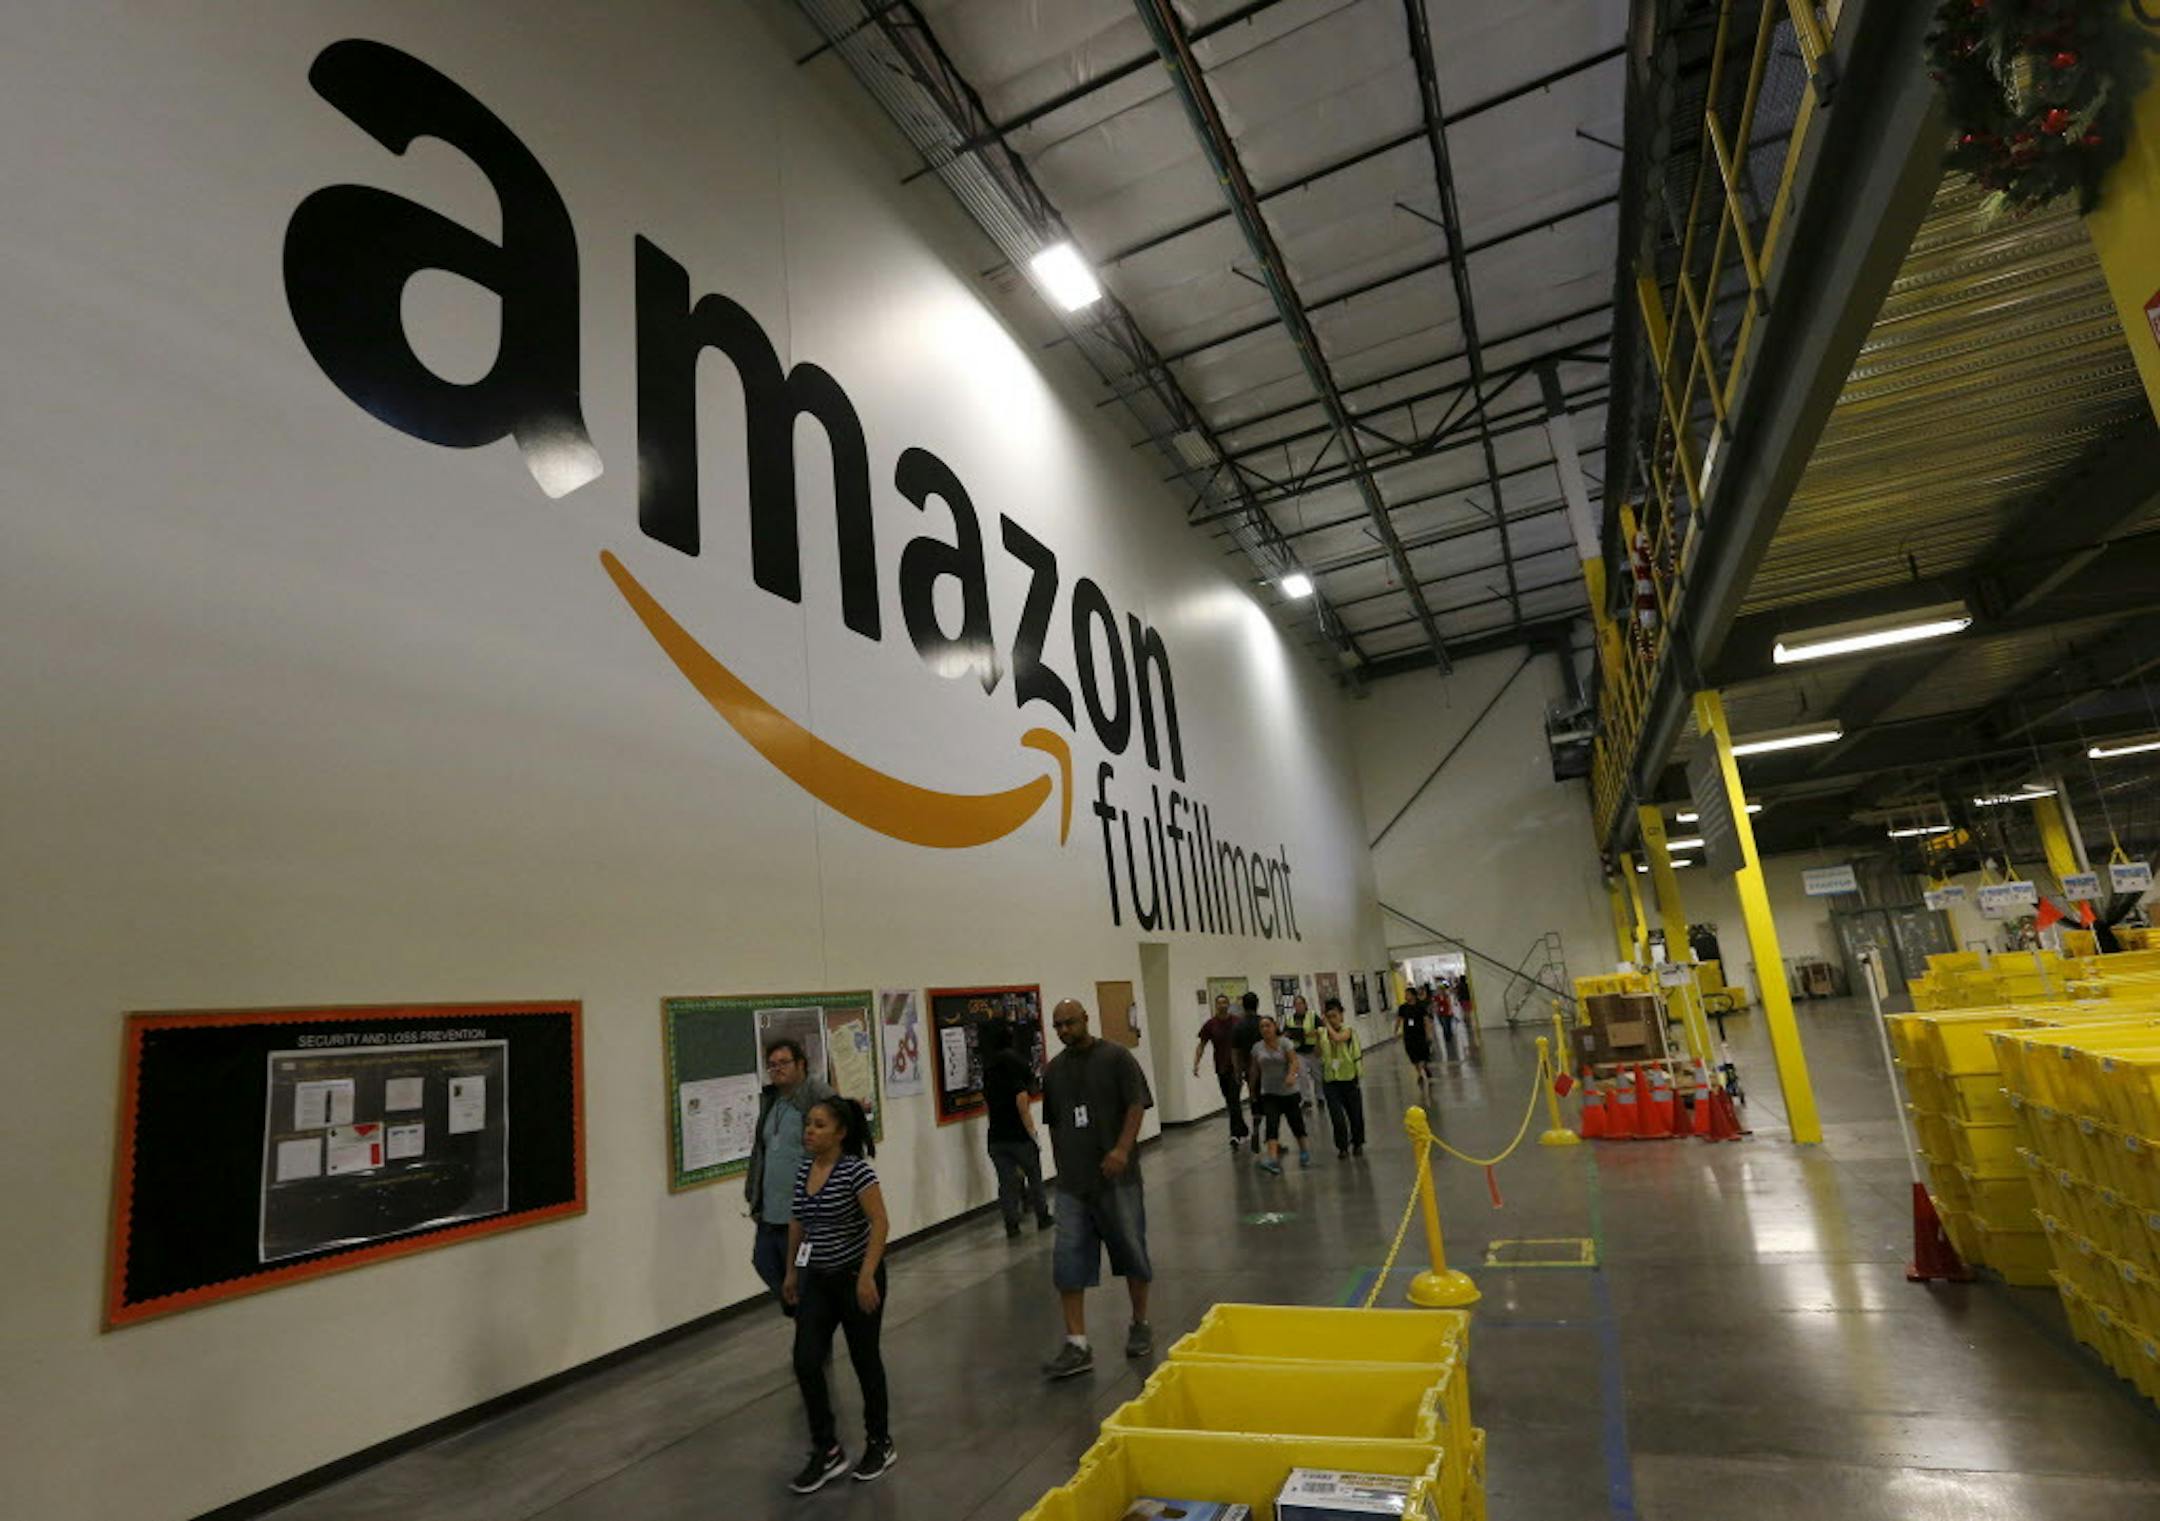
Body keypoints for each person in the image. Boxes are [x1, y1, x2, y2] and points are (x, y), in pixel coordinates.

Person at [1039, 998, 1155, 1378]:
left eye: (1069, 1023)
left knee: (1132, 1252)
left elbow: (1136, 1105)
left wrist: (1122, 1149)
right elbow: (1055, 1124)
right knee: (1068, 1263)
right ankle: (1077, 1344)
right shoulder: (1054, 1072)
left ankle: (1140, 1323)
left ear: (1086, 1019)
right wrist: (1061, 1170)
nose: (1063, 1031)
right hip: (1073, 1187)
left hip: (1117, 1181)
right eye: (1057, 1026)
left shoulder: (1117, 1058)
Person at [783, 1097, 893, 1492]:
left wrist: (866, 1275)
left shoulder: (856, 1172)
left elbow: (879, 1223)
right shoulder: (804, 1171)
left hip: (856, 1278)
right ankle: (826, 1448)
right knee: (806, 1360)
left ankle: (880, 1441)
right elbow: (798, 1221)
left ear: (841, 1133)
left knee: (865, 1359)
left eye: (819, 1125)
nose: (809, 1131)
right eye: (808, 1125)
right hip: (819, 1280)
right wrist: (792, 1271)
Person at [747, 1037, 834, 1314]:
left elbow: (841, 1126)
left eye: (784, 1063)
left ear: (801, 1065)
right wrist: (754, 1194)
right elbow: (761, 1152)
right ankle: (805, 1320)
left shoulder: (814, 1096)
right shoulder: (771, 1101)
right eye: (772, 1065)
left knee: (802, 1279)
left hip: (800, 1215)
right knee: (763, 1261)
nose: (777, 1069)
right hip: (769, 1213)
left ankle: (812, 1340)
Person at [982, 1018, 1054, 1237]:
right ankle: (1042, 1216)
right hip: (1019, 1135)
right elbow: (1022, 1101)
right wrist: (1032, 1133)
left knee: (1006, 1182)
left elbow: (987, 1104)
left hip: (996, 1136)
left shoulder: (988, 1067)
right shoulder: (1017, 1062)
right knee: (1034, 1175)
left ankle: (1011, 1224)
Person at [1248, 1014, 1310, 1173]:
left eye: (1268, 1025)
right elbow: (1254, 1070)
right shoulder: (1257, 1048)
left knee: (1296, 1124)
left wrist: (1291, 1075)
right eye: (1262, 1026)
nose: (1265, 1029)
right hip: (1269, 1093)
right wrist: (1252, 1090)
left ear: (1275, 1027)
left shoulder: (1285, 1043)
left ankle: (1304, 1151)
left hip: (1288, 1092)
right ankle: (1273, 1159)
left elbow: (1294, 1061)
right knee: (1271, 1125)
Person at [1191, 993, 1248, 1150]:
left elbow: (1245, 1044)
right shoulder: (1211, 1024)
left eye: (1224, 1002)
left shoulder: (1237, 1022)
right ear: (1215, 1005)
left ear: (1228, 1005)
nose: (1222, 1005)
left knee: (1234, 1100)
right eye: (1219, 1003)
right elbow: (1201, 1044)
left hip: (1236, 1068)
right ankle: (1243, 1129)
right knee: (1230, 1101)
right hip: (1221, 1067)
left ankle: (1234, 1134)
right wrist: (1196, 1063)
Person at [1317, 998, 1366, 1157]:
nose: (1332, 1020)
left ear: (1341, 1016)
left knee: (1355, 1114)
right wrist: (1319, 1038)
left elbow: (1338, 1039)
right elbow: (1318, 1053)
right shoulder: (1322, 1033)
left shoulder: (1349, 1030)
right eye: (1328, 1016)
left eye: (1334, 1016)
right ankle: (1342, 1146)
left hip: (1349, 1078)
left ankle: (1358, 1142)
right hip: (1331, 1080)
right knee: (1336, 1117)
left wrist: (1327, 1027)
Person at [1230, 991, 1267, 1154]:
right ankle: (1273, 1139)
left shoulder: (1238, 1026)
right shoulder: (1264, 1024)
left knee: (1255, 1100)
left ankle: (1256, 1129)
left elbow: (1235, 1051)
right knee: (1272, 1103)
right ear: (1257, 1004)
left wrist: (1237, 1072)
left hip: (1249, 1070)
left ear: (1243, 1006)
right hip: (1268, 1069)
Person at [1285, 993, 1324, 1115]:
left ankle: (1320, 1097)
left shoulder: (1312, 1016)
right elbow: (1285, 1033)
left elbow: (1322, 1030)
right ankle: (1306, 1099)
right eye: (1296, 1004)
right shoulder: (1290, 1019)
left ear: (1305, 1004)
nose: (1298, 1006)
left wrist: (1317, 1043)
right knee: (1302, 1076)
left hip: (1313, 1051)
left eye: (1300, 1003)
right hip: (1299, 1052)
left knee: (1317, 1076)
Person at [1396, 985, 1434, 1086]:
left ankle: (1421, 1072)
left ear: (1413, 996)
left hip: (1420, 1035)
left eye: (1407, 994)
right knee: (1413, 1056)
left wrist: (1429, 1034)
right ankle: (1421, 1071)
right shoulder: (1403, 1008)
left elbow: (1426, 1021)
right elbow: (1399, 1020)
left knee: (1422, 1054)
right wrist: (1395, 1031)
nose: (1405, 996)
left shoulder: (1421, 1006)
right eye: (1405, 994)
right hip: (1408, 1036)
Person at [1433, 982, 1460, 1062]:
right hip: (1440, 1013)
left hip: (1446, 1012)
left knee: (1446, 1025)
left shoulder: (1446, 996)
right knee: (1443, 1024)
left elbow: (1449, 1003)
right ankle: (1447, 1034)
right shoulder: (1436, 997)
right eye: (1438, 990)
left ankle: (1448, 1036)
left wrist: (1450, 1011)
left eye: (1440, 990)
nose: (1439, 991)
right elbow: (1435, 1004)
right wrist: (1435, 1010)